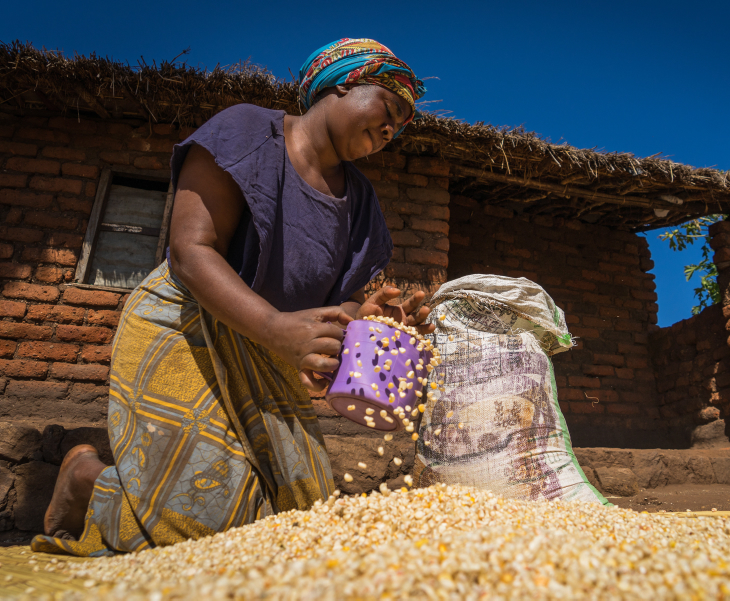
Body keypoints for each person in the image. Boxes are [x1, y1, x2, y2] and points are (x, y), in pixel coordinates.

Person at [33, 38, 433, 556]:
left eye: (401, 124)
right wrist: (273, 328)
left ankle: (108, 486)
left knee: (300, 523)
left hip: (263, 352)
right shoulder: (247, 132)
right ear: (344, 83)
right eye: (390, 107)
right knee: (206, 528)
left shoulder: (362, 205)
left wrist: (366, 326)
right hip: (184, 323)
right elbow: (190, 249)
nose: (392, 128)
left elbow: (344, 303)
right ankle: (88, 478)